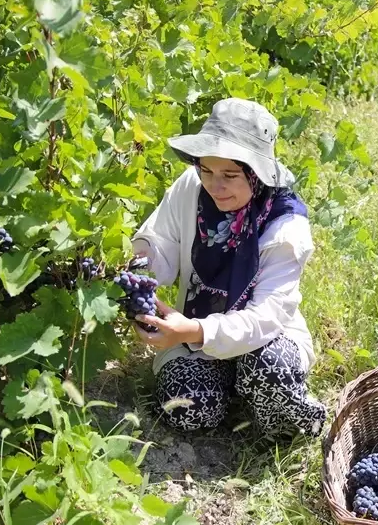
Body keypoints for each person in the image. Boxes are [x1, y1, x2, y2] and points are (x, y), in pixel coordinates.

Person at [128, 98, 327, 438]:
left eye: (230, 175)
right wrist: (139, 275)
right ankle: (226, 384)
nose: (214, 185)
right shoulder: (191, 187)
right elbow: (159, 244)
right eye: (206, 169)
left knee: (270, 370)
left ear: (256, 173)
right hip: (193, 324)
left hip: (263, 337)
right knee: (189, 411)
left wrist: (192, 331)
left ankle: (278, 409)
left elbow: (264, 318)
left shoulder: (285, 224)